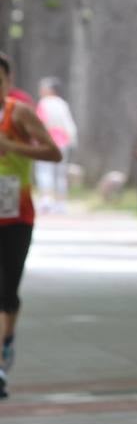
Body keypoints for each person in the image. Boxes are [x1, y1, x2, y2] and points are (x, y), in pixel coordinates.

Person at [0, 53, 62, 398]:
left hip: (17, 215)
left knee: (7, 291)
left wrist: (12, 147)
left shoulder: (18, 114)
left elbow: (55, 152)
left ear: (7, 81)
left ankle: (6, 341)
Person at [34, 77, 77, 214]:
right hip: (63, 142)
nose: (41, 91)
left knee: (44, 171)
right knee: (60, 173)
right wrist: (71, 140)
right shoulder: (62, 104)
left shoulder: (44, 103)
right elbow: (69, 125)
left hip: (47, 142)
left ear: (50, 90)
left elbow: (40, 123)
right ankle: (61, 203)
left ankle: (47, 200)